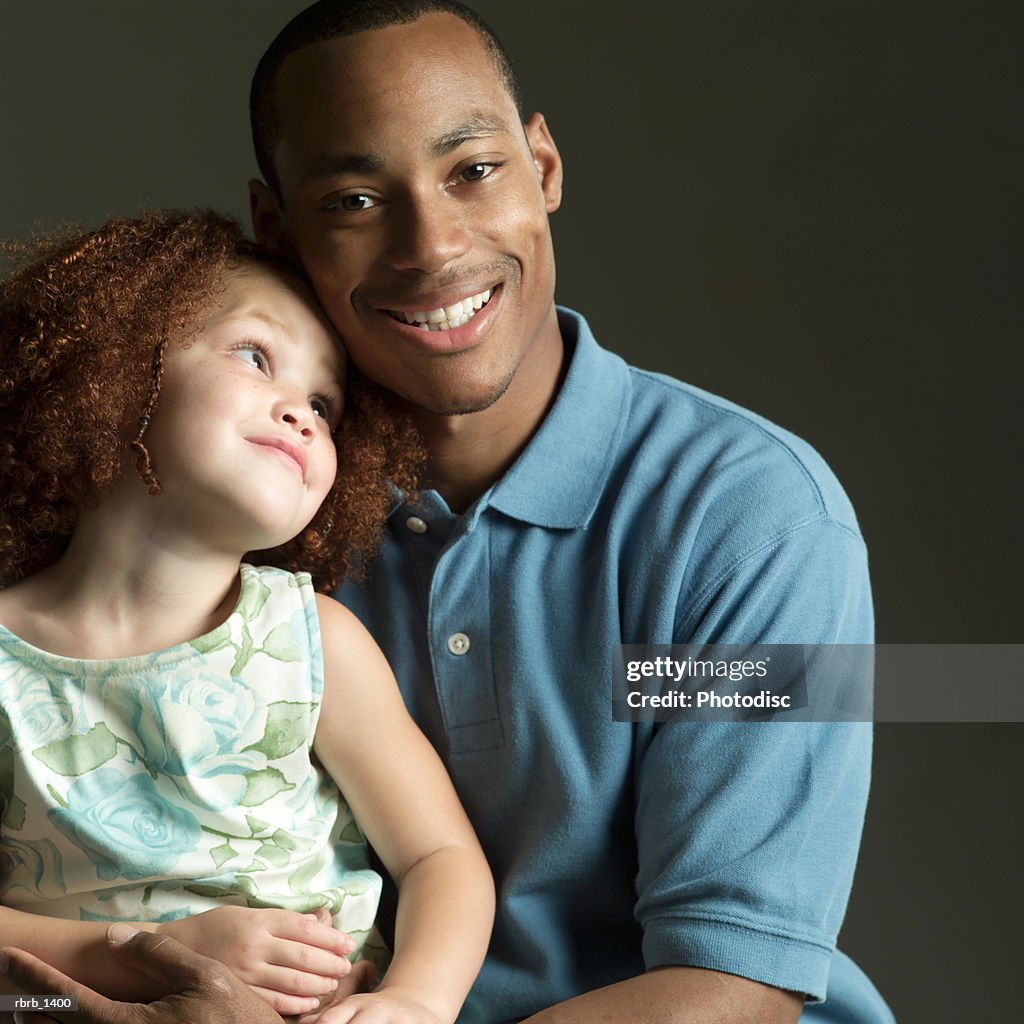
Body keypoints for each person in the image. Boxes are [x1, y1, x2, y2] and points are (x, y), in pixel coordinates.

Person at [9, 1, 897, 1021]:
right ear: (276, 226)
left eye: (472, 169)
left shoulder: (754, 519)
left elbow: (734, 985)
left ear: (544, 169)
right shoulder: (235, 505)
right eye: (352, 196)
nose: (431, 246)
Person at [0, 210, 494, 1024]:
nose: (301, 413)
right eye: (255, 356)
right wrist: (148, 954)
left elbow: (442, 858)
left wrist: (415, 1002)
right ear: (119, 367)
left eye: (325, 405)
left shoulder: (313, 643)